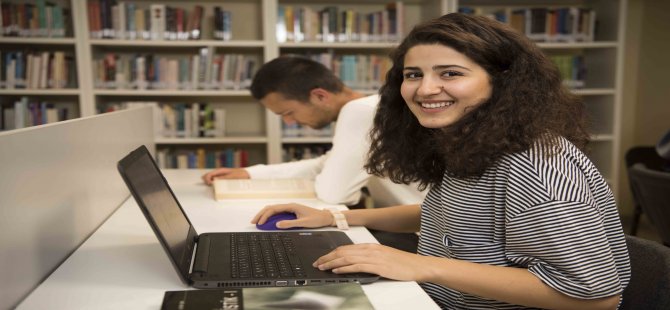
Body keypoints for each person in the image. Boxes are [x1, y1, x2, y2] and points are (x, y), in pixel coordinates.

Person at [251, 13, 631, 309]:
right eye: (413, 74)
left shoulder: (536, 167)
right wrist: (335, 217)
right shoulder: (475, 140)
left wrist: (423, 265)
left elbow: (595, 295)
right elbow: (446, 212)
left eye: (450, 73)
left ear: (502, 82)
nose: (425, 88)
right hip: (432, 297)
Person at [201, 56, 424, 208]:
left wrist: (324, 180)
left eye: (288, 112)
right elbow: (325, 164)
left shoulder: (359, 112)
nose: (289, 122)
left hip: (418, 237)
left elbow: (334, 194)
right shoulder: (371, 106)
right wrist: (251, 174)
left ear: (320, 96)